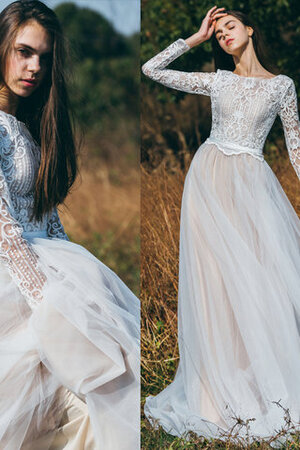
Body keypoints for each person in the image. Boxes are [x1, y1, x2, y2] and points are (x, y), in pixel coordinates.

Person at [142, 5, 300, 446]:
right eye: (217, 32)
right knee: (214, 284)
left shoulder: (282, 86)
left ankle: (263, 385)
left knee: (259, 281)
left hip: (252, 187)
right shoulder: (219, 79)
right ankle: (212, 396)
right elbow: (150, 68)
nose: (223, 35)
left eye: (229, 26)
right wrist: (193, 38)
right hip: (208, 183)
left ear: (249, 29)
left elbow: (296, 149)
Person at [0, 1, 140, 449]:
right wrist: (52, 303)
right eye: (23, 51)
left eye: (44, 57)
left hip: (48, 262)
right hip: (15, 275)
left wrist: (81, 287)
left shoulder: (28, 126)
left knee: (111, 369)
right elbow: (5, 229)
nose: (34, 66)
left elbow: (47, 219)